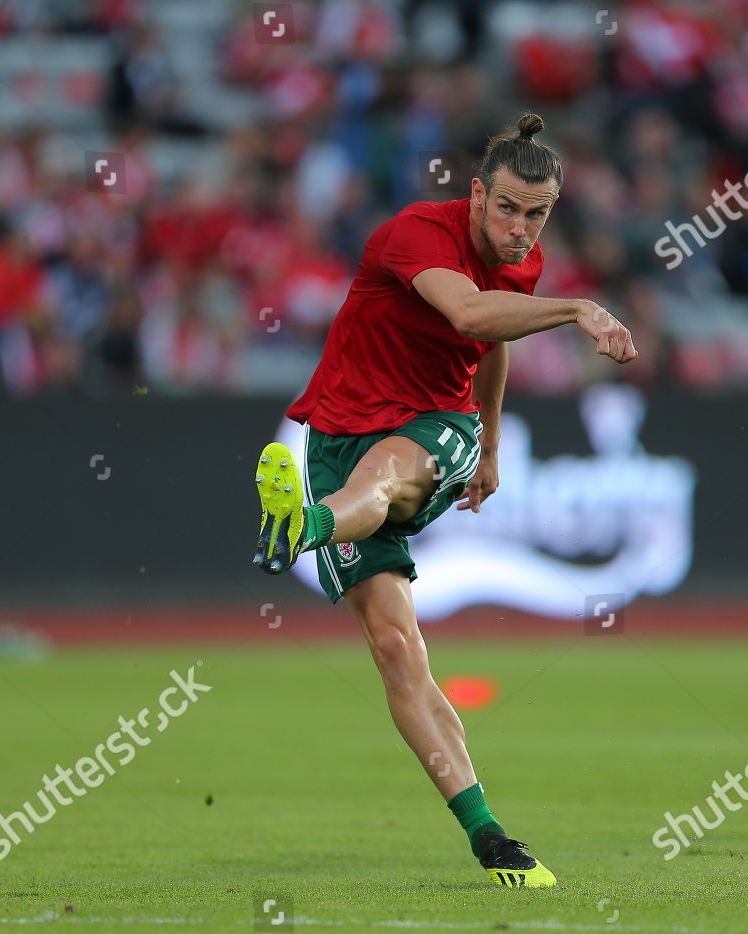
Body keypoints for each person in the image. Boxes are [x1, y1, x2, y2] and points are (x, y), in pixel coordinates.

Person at [250, 113, 637, 886]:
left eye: (538, 214)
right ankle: (490, 837)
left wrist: (489, 444)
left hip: (436, 425)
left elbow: (489, 345)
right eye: (508, 209)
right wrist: (578, 309)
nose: (521, 229)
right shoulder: (415, 233)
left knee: (387, 482)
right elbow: (468, 313)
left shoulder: (519, 265)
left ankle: (307, 525)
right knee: (396, 651)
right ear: (475, 195)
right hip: (334, 434)